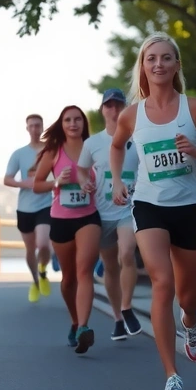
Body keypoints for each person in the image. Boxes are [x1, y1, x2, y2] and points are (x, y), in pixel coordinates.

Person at [110, 32, 196, 390]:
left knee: (189, 295)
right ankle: (171, 376)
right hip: (149, 205)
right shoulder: (132, 115)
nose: (158, 64)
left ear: (176, 65)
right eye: (151, 59)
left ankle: (190, 322)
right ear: (143, 68)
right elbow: (116, 146)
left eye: (165, 58)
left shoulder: (193, 108)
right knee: (163, 281)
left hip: (189, 206)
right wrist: (117, 179)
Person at [33, 105, 102, 354]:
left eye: (77, 119)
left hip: (88, 217)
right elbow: (37, 185)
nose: (73, 124)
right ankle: (74, 321)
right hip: (60, 220)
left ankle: (84, 327)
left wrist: (93, 184)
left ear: (84, 123)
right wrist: (56, 183)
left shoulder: (93, 147)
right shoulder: (54, 151)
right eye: (68, 120)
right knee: (69, 278)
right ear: (62, 125)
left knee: (85, 271)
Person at [77, 88, 143, 341]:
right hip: (102, 213)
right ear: (102, 110)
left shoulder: (138, 140)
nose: (114, 110)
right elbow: (82, 170)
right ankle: (117, 318)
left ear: (125, 108)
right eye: (109, 106)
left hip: (128, 209)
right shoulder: (92, 143)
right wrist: (84, 182)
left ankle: (126, 307)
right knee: (110, 267)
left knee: (127, 253)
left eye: (118, 105)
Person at [4, 115, 54, 302]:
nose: (34, 129)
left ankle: (42, 269)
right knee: (30, 248)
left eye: (37, 125)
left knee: (43, 243)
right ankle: (35, 281)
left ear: (42, 127)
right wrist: (22, 183)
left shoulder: (50, 151)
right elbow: (7, 179)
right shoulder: (19, 154)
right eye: (31, 126)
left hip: (46, 204)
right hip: (25, 207)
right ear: (27, 128)